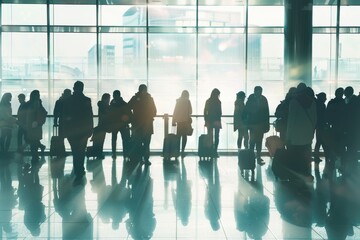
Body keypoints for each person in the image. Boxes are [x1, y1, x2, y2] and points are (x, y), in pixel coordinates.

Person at [62, 81, 94, 185]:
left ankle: (78, 171)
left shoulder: (68, 100)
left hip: (71, 131)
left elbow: (64, 116)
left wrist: (64, 130)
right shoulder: (86, 100)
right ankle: (80, 169)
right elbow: (89, 115)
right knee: (81, 150)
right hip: (83, 130)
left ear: (73, 88)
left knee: (75, 151)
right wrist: (90, 129)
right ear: (82, 88)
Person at [286, 84, 317, 180]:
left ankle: (296, 176)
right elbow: (315, 120)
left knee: (295, 157)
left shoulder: (294, 102)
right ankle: (306, 173)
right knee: (306, 157)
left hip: (295, 137)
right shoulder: (312, 102)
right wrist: (312, 133)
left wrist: (288, 136)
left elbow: (291, 121)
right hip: (307, 136)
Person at [128, 84, 157, 165]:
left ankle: (140, 158)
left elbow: (128, 107)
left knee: (139, 142)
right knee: (146, 143)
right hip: (147, 125)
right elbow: (154, 111)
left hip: (137, 125)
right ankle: (146, 159)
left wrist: (132, 118)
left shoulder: (135, 98)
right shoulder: (150, 99)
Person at [243, 86, 270, 165]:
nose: (259, 93)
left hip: (255, 124)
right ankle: (255, 156)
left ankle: (255, 156)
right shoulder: (262, 99)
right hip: (257, 124)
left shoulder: (252, 99)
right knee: (254, 141)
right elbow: (266, 113)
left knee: (256, 141)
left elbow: (247, 110)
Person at [24, 90, 47, 165]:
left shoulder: (30, 104)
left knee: (32, 143)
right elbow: (43, 112)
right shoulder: (38, 103)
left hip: (31, 126)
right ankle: (35, 157)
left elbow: (27, 114)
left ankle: (35, 157)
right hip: (37, 126)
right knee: (34, 142)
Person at [108, 90, 132, 159]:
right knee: (125, 140)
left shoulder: (113, 104)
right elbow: (129, 114)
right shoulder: (124, 103)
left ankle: (114, 154)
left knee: (113, 139)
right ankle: (125, 154)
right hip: (123, 124)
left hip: (115, 124)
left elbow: (110, 113)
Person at [326, 87, 345, 171]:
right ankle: (342, 161)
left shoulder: (331, 102)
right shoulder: (344, 103)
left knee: (333, 144)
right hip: (342, 127)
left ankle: (332, 160)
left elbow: (328, 114)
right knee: (342, 144)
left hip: (333, 126)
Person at [343, 86, 360, 175]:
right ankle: (352, 158)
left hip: (352, 126)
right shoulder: (355, 100)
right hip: (353, 126)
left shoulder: (351, 101)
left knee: (351, 143)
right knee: (352, 143)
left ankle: (351, 158)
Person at [172, 90, 193, 157]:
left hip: (179, 121)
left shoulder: (178, 101)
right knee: (184, 136)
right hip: (185, 121)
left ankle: (177, 151)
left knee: (178, 137)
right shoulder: (187, 101)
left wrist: (173, 120)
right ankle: (182, 151)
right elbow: (190, 111)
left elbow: (175, 111)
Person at [204, 88, 222, 158]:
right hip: (217, 121)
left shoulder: (208, 101)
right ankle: (215, 151)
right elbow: (220, 112)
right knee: (217, 137)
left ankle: (210, 151)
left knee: (210, 137)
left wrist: (206, 119)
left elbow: (205, 111)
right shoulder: (218, 102)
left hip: (209, 121)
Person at [95, 93, 111, 160]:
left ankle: (98, 153)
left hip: (101, 125)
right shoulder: (105, 105)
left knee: (99, 141)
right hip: (103, 125)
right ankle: (99, 154)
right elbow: (107, 113)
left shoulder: (101, 104)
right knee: (101, 141)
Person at [314, 92, 327, 166]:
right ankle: (325, 155)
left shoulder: (316, 105)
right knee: (322, 141)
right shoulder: (322, 105)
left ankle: (316, 156)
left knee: (318, 142)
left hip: (317, 126)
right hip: (322, 126)